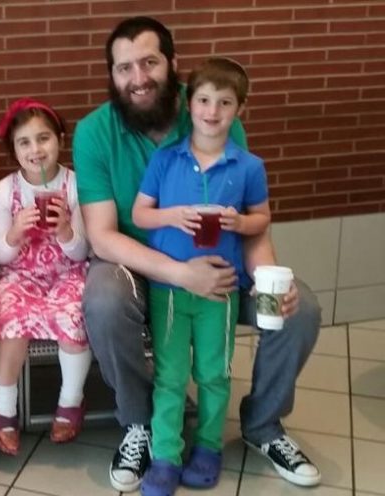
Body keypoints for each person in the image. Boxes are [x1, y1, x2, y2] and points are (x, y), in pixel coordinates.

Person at [72, 16, 322, 492]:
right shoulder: (94, 132)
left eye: (149, 62)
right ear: (112, 75)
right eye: (124, 68)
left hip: (219, 268)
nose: (138, 78)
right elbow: (102, 237)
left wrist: (269, 279)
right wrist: (181, 274)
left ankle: (262, 425)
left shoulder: (210, 109)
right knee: (103, 298)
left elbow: (249, 219)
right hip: (138, 266)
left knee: (300, 309)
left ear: (173, 64)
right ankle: (140, 425)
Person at [131, 58, 272, 495]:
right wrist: (172, 215)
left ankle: (209, 447)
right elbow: (140, 214)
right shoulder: (166, 159)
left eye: (225, 103)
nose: (213, 111)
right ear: (189, 104)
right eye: (205, 100)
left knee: (213, 372)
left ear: (240, 109)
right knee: (170, 375)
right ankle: (166, 455)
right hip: (170, 290)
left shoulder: (249, 166)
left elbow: (262, 218)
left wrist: (240, 223)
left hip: (222, 290)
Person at [0, 98, 91, 455]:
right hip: (20, 276)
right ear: (14, 150)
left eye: (43, 138)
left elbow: (82, 252)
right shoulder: (6, 191)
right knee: (13, 323)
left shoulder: (76, 185)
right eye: (24, 142)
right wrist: (15, 233)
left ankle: (70, 402)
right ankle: (3, 408)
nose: (35, 149)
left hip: (68, 273)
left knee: (74, 316)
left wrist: (65, 231)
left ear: (60, 139)